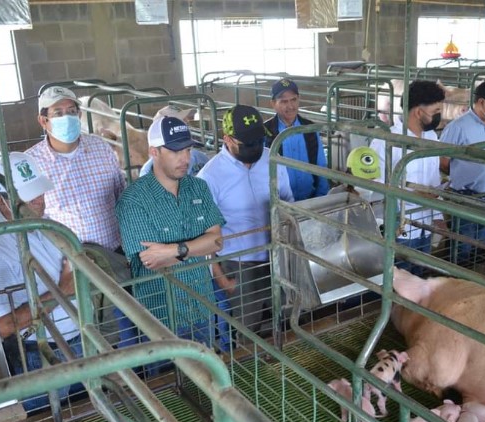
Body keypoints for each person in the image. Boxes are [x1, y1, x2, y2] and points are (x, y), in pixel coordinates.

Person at [0, 152, 82, 412]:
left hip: (75, 339)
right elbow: (1, 326)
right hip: (38, 352)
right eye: (27, 197)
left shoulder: (46, 225)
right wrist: (62, 291)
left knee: (80, 410)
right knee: (46, 417)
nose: (38, 201)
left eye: (39, 193)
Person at [116, 117, 225, 352]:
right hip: (161, 316)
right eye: (175, 151)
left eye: (188, 150)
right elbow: (151, 260)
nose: (185, 159)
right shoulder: (133, 199)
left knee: (206, 370)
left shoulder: (198, 187)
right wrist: (198, 246)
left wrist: (173, 250)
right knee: (165, 375)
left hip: (202, 305)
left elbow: (217, 241)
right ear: (154, 152)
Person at [198, 105, 294, 337]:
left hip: (278, 256)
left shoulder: (273, 159)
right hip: (239, 264)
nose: (256, 147)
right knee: (248, 331)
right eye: (248, 143)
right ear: (227, 139)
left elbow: (289, 204)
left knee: (290, 320)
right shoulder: (209, 177)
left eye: (259, 140)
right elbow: (204, 233)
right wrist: (221, 278)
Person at [25, 86, 127, 252]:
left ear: (79, 115)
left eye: (72, 111)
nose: (67, 117)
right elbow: (32, 216)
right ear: (43, 121)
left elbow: (121, 194)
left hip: (115, 251)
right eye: (58, 113)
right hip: (68, 258)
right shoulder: (32, 163)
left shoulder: (101, 148)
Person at [370, 80, 446, 274]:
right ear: (419, 112)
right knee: (398, 279)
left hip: (425, 225)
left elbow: (434, 180)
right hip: (400, 228)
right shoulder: (385, 141)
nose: (439, 116)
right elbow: (376, 187)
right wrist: (414, 195)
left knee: (419, 276)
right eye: (436, 111)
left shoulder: (431, 138)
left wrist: (438, 216)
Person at [439, 80, 485, 265]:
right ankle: (458, 275)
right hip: (466, 196)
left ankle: (474, 275)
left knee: (481, 242)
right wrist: (463, 175)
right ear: (481, 102)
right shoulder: (458, 127)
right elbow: (443, 161)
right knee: (463, 244)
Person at [264, 79, 329, 201]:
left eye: (293, 99)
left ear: (298, 99)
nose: (290, 106)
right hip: (280, 201)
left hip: (311, 198)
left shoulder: (310, 128)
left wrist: (321, 196)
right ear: (273, 104)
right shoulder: (265, 132)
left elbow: (321, 165)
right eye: (284, 101)